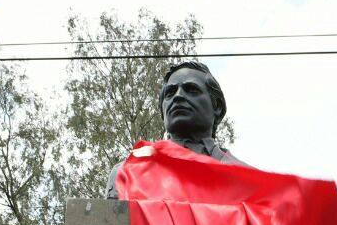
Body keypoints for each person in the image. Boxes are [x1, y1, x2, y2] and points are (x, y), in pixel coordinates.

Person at [105, 60, 247, 198]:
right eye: (170, 93)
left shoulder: (244, 179)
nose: (178, 96)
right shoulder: (127, 174)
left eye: (191, 90)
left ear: (217, 107)